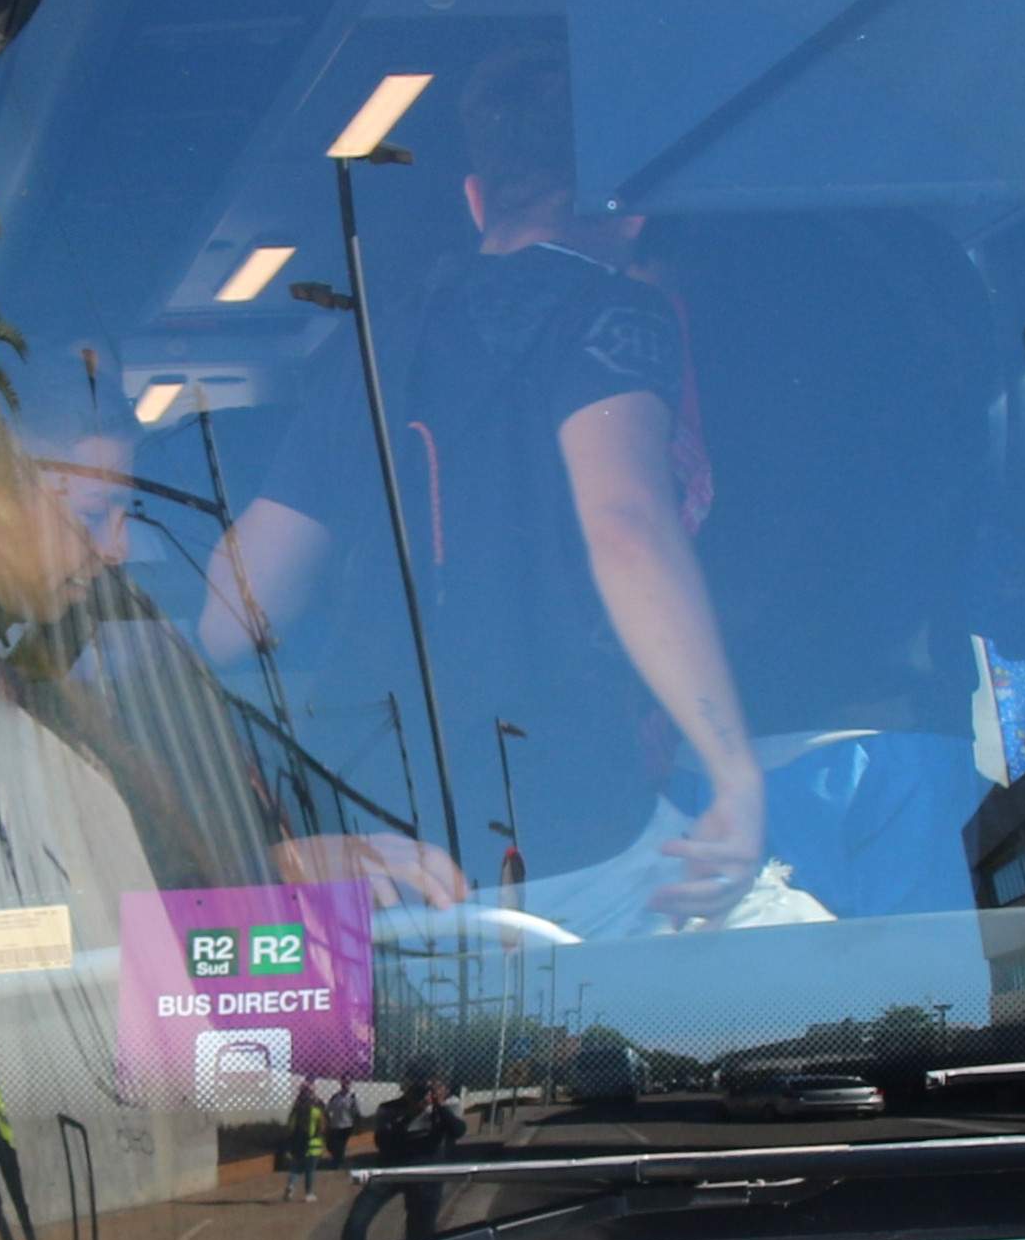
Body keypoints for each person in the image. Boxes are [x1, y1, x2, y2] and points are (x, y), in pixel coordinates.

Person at [206, 44, 767, 914]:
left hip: (376, 831)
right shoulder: (614, 313)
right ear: (626, 210)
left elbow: (244, 603)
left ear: (476, 198)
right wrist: (733, 770)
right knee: (798, 966)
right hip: (557, 810)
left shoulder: (373, 344)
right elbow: (625, 522)